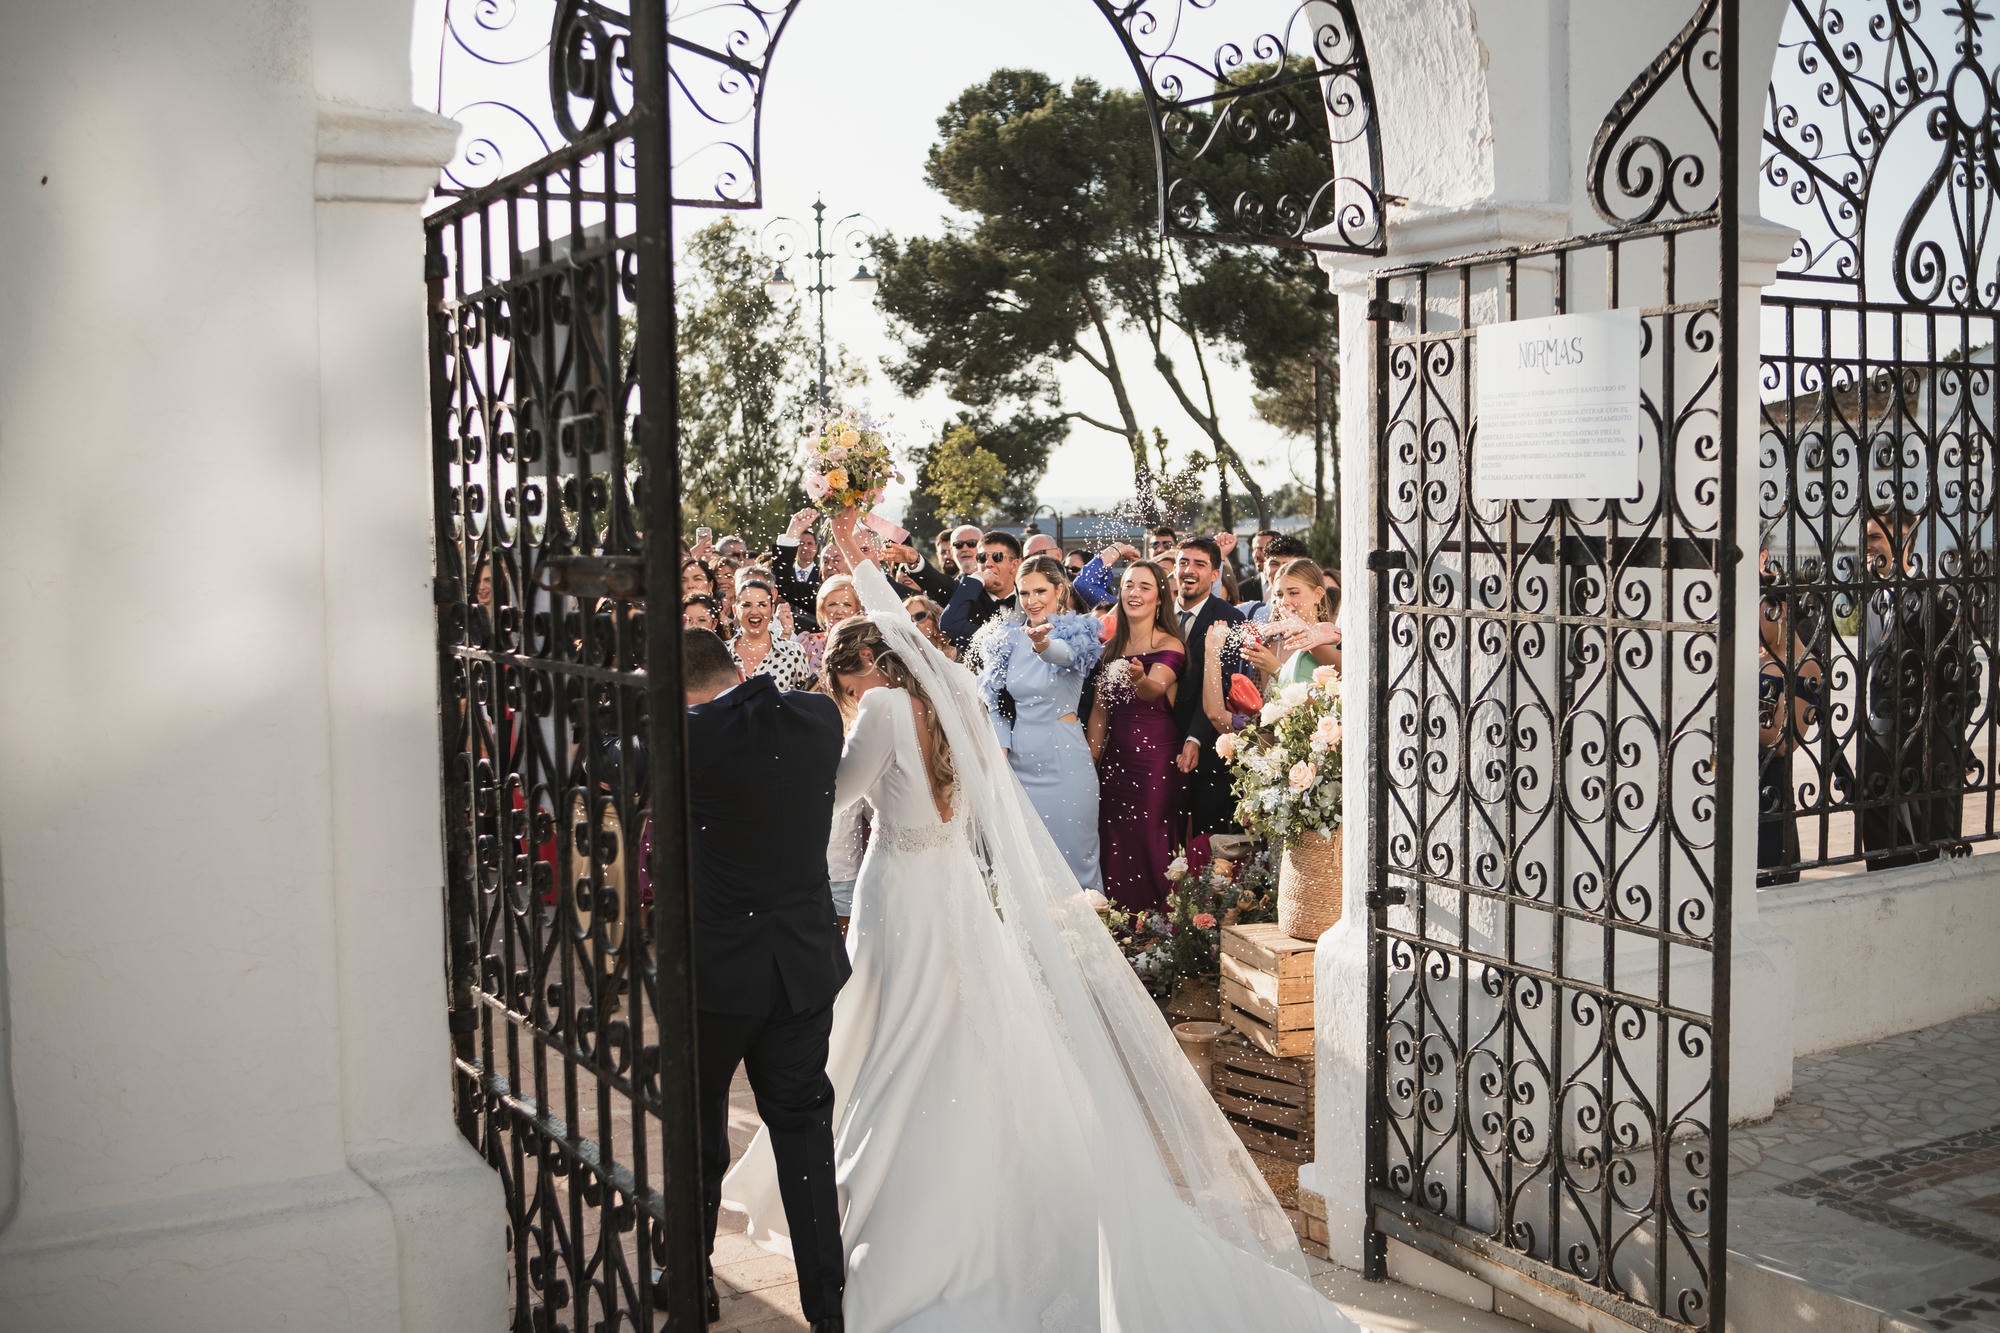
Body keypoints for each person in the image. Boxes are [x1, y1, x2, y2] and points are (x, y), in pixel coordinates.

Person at [723, 520, 1355, 1333]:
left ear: (858, 670)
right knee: (953, 1025)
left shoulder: (878, 706)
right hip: (950, 884)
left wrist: (811, 746)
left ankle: (890, 1202)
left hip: (899, 894)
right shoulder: (951, 693)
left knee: (886, 1028)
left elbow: (840, 796)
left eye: (838, 677)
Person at [683, 628, 849, 1333]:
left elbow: (606, 752)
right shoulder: (818, 719)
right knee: (806, 1139)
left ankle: (692, 1286)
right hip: (803, 969)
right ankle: (828, 1308)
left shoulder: (692, 741)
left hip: (720, 975)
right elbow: (752, 705)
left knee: (698, 1134)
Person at [975, 554, 1105, 890]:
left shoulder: (1081, 631)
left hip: (1064, 765)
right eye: (1024, 593)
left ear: (1060, 590)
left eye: (1040, 592)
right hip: (1018, 765)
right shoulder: (1006, 638)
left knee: (1074, 865)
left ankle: (1086, 941)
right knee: (1027, 871)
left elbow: (1063, 656)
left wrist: (1043, 643)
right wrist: (1001, 747)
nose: (1031, 601)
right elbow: (994, 699)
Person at [1857, 510, 1974, 869]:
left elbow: (1962, 680)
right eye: (1865, 539)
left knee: (1930, 858)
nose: (1866, 547)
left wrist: (1945, 741)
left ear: (1903, 543)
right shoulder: (1871, 602)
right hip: (1878, 751)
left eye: (1875, 538)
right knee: (1883, 856)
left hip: (1926, 753)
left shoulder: (1939, 598)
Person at [1088, 560, 1187, 909]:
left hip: (1155, 762)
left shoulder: (1170, 644)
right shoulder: (1109, 647)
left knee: (1151, 839)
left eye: (1145, 586)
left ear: (1160, 597)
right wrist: (1091, 760)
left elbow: (1154, 689)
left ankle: (1162, 924)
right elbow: (1100, 711)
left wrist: (1140, 679)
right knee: (1114, 841)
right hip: (1116, 762)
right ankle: (1122, 926)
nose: (1134, 592)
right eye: (1129, 584)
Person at [1169, 537, 1247, 838]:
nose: (1189, 570)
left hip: (1207, 751)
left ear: (1215, 574)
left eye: (1199, 565)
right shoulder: (1156, 613)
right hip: (1157, 741)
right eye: (1183, 563)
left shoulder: (1230, 618)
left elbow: (1221, 683)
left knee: (1206, 839)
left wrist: (1195, 737)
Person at [1757, 576, 1823, 886]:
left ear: (1779, 611)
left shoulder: (1805, 666)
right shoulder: (1754, 658)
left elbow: (1785, 741)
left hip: (1769, 799)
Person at [940, 529, 1023, 650]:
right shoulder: (967, 600)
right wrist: (977, 578)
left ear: (1014, 564)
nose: (988, 564)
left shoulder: (1029, 598)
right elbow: (949, 624)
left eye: (997, 557)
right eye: (982, 557)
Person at [730, 579, 812, 691]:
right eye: (746, 605)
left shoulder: (794, 652)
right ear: (735, 610)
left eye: (762, 605)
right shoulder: (721, 654)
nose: (754, 611)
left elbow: (804, 701)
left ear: (772, 610)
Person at [772, 508, 826, 632]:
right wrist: (792, 534)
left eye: (809, 544)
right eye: (801, 543)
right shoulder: (786, 575)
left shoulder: (824, 577)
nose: (805, 547)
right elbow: (782, 583)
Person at [1238, 533, 1310, 623]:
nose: (1280, 570)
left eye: (1288, 565)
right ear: (1264, 568)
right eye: (1274, 564)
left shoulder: (1319, 615)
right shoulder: (1249, 613)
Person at [903, 593, 956, 662]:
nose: (915, 624)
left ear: (933, 615)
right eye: (909, 620)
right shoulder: (912, 657)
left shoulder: (957, 641)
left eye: (919, 616)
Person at [1238, 529, 1278, 603]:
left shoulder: (1297, 585)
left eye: (1262, 549)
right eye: (1254, 549)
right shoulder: (1242, 590)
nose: (1256, 555)